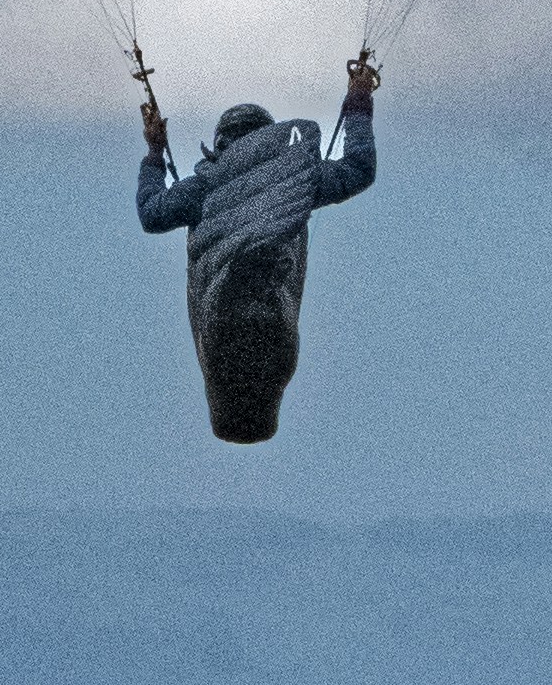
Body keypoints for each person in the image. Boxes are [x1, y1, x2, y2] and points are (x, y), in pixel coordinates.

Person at [134, 48, 378, 444]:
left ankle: (242, 270)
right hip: (272, 329)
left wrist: (154, 153)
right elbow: (358, 169)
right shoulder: (297, 177)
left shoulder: (204, 187)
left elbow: (150, 213)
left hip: (223, 328)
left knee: (234, 356)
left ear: (221, 145)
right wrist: (359, 100)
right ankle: (253, 267)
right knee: (263, 316)